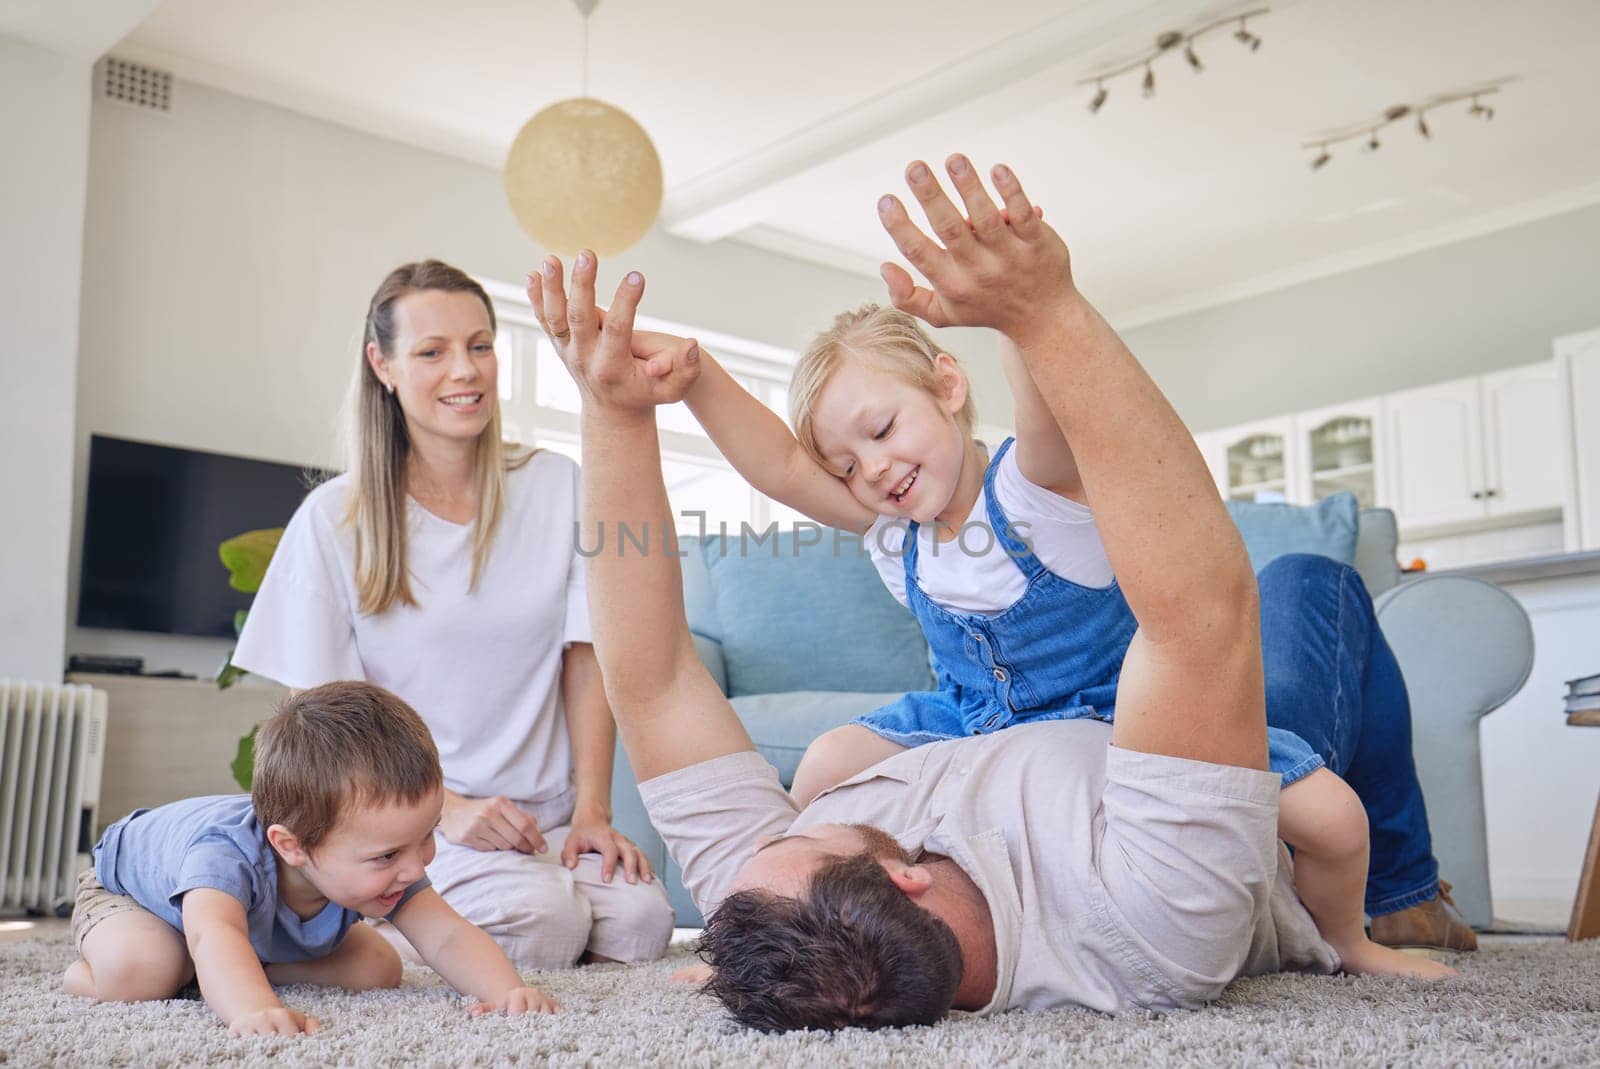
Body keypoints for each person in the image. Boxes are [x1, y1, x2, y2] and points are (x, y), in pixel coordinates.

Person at [532, 156, 1458, 1032]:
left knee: (829, 756)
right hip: (1149, 725)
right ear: (906, 882)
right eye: (807, 831)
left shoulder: (792, 902)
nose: (793, 816)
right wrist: (1037, 313)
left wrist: (618, 404)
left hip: (1013, 710)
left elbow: (649, 682)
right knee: (1307, 587)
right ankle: (1383, 913)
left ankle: (1404, 893)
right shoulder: (1150, 921)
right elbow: (1198, 616)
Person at [233, 260, 674, 969]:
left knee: (644, 922)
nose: (464, 371)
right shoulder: (334, 517)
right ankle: (357, 938)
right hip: (423, 828)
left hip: (548, 819)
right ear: (383, 365)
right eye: (431, 351)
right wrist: (450, 810)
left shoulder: (559, 485)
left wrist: (594, 810)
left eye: (479, 345)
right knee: (546, 922)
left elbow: (587, 655)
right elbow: (322, 719)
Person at [61, 683, 558, 1036]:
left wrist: (510, 991)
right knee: (144, 972)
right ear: (292, 845)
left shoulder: (382, 861)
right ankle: (118, 971)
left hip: (233, 927)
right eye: (387, 855)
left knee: (377, 967)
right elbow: (214, 932)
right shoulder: (223, 857)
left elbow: (448, 935)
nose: (414, 868)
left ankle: (214, 971)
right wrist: (252, 1009)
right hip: (133, 897)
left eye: (427, 836)